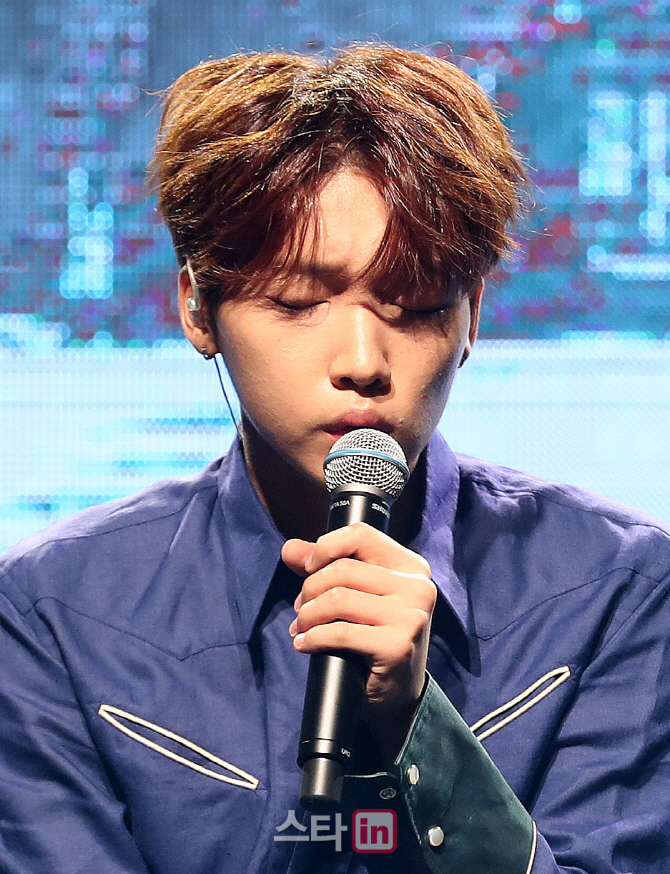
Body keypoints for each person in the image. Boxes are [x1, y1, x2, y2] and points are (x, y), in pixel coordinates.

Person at [1, 43, 669, 874]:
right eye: (297, 302)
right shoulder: (56, 613)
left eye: (414, 305)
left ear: (472, 315)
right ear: (197, 308)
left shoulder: (618, 590)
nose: (361, 361)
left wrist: (420, 727)